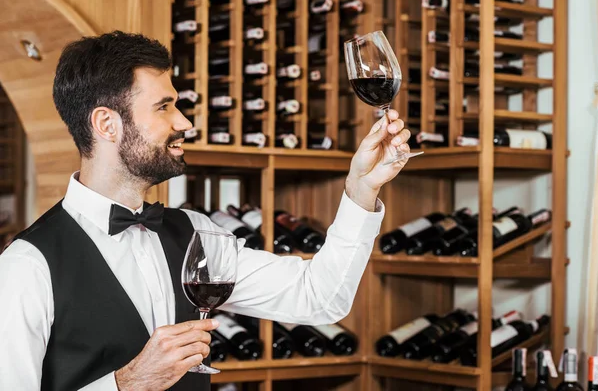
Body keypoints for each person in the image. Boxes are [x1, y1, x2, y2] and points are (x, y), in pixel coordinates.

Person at [0, 31, 412, 391]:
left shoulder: (196, 233)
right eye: (164, 107)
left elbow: (320, 298)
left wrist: (360, 190)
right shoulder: (26, 266)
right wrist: (126, 385)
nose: (185, 123)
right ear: (107, 124)